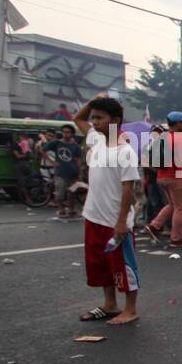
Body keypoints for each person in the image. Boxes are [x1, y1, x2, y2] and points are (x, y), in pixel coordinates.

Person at [74, 95, 141, 325]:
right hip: (93, 216)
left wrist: (121, 222)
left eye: (100, 118)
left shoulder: (125, 152)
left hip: (115, 221)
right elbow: (78, 118)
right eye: (94, 117)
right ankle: (110, 304)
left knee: (123, 267)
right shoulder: (96, 140)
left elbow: (128, 190)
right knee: (100, 265)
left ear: (115, 120)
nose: (93, 122)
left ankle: (130, 309)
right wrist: (93, 101)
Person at [145, 111, 182, 248]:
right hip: (176, 177)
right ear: (178, 123)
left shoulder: (161, 138)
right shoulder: (179, 139)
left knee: (172, 204)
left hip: (161, 177)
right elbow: (181, 161)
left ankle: (154, 225)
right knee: (180, 208)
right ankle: (176, 238)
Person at [43, 124, 85, 219]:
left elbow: (78, 160)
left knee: (72, 193)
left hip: (73, 173)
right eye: (64, 132)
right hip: (60, 173)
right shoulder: (56, 143)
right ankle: (61, 210)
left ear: (72, 134)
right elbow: (43, 150)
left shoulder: (75, 146)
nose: (65, 134)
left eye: (68, 132)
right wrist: (52, 162)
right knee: (60, 194)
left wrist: (80, 173)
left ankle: (71, 210)